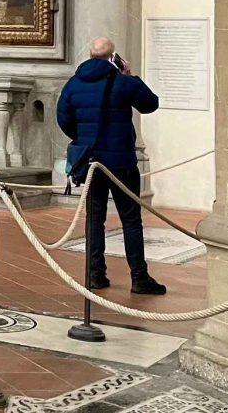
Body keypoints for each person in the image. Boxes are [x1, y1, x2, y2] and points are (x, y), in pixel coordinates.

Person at [57, 37, 166, 296]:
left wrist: (84, 139)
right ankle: (139, 277)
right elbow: (150, 104)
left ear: (89, 55)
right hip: (121, 162)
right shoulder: (121, 82)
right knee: (130, 220)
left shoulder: (73, 84)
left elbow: (63, 119)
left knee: (95, 219)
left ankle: (95, 274)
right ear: (113, 57)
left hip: (91, 162)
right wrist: (130, 75)